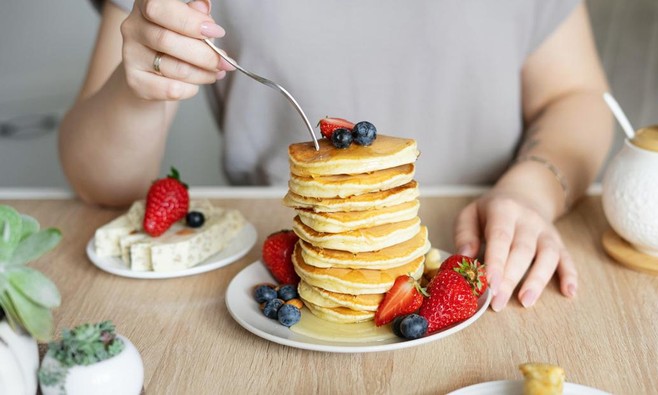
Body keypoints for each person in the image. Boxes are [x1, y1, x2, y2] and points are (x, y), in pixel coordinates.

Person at [59, 0, 613, 311]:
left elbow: (576, 97)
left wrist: (531, 189)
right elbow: (100, 183)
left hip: (490, 262)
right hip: (294, 262)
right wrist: (140, 86)